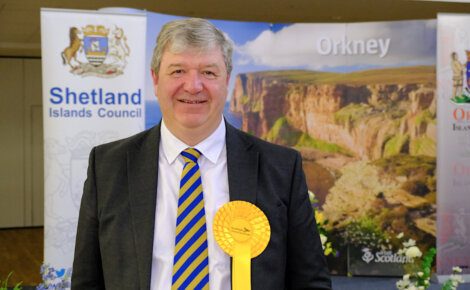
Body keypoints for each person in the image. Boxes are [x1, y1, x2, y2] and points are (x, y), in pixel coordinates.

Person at [72, 18, 331, 290]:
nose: (193, 86)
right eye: (178, 71)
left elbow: (310, 281)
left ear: (227, 81)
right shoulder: (107, 166)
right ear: (155, 79)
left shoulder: (281, 168)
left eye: (208, 72)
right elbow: (87, 281)